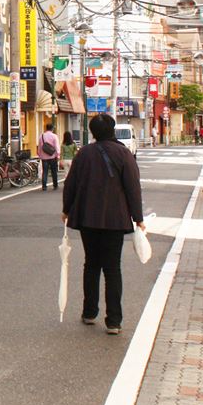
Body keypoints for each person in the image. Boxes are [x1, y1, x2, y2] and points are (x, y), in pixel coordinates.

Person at [61, 113, 145, 335]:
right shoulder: (123, 154)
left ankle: (89, 312)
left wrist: (66, 209)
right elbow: (133, 187)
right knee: (112, 268)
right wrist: (138, 217)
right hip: (115, 219)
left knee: (91, 264)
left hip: (87, 218)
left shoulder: (84, 154)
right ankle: (114, 321)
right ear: (112, 130)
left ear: (93, 132)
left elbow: (71, 183)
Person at [38, 122, 60, 191]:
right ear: (52, 128)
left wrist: (39, 154)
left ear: (46, 128)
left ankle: (44, 186)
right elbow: (56, 146)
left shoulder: (41, 136)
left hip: (44, 157)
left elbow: (39, 146)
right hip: (52, 156)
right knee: (54, 171)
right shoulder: (54, 136)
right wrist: (58, 154)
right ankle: (55, 185)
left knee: (45, 171)